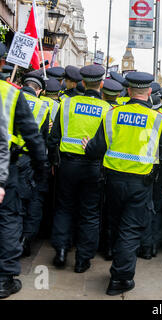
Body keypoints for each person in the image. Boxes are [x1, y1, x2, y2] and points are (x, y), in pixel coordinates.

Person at [83, 71, 162, 296]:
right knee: (130, 230)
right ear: (150, 92)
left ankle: (118, 266)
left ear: (128, 91)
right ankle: (121, 278)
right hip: (140, 185)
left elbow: (96, 149)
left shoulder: (113, 114)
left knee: (116, 225)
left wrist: (88, 147)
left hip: (112, 182)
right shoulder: (161, 120)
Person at [47, 64, 111, 273]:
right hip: (94, 167)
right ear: (101, 85)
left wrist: (55, 162)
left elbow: (53, 138)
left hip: (67, 165)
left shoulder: (66, 104)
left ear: (82, 83)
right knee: (90, 213)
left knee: (64, 207)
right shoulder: (107, 110)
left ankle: (62, 251)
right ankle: (83, 260)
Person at [0, 43, 48, 299]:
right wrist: (41, 171)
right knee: (8, 219)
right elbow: (33, 137)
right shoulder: (9, 94)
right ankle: (4, 279)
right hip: (6, 167)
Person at [16, 72, 50, 257]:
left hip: (9, 156)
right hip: (29, 160)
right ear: (39, 90)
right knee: (31, 200)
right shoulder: (42, 106)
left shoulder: (11, 97)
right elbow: (42, 139)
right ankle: (25, 240)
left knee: (14, 202)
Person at [99, 78, 123, 260]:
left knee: (104, 211)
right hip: (122, 171)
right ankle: (114, 249)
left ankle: (106, 246)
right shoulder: (114, 112)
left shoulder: (112, 114)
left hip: (104, 168)